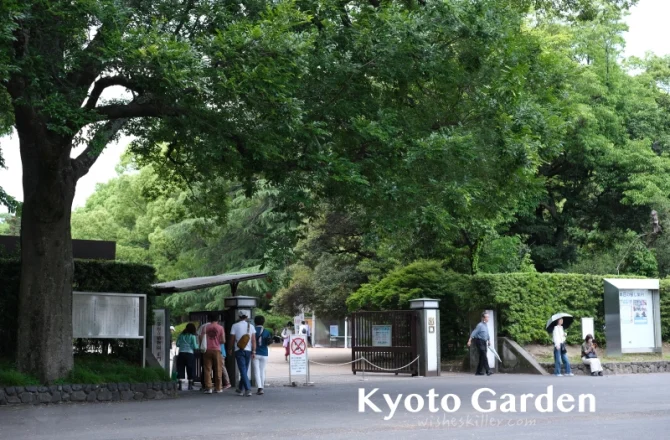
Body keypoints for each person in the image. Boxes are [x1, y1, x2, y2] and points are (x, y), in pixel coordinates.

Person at [228, 309, 256, 397]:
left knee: (243, 370)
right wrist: (254, 351)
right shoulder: (251, 326)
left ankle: (248, 389)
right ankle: (240, 389)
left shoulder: (235, 326)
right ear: (247, 317)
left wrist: (229, 348)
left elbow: (232, 339)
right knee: (244, 370)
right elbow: (253, 340)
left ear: (239, 317)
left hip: (238, 350)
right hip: (248, 350)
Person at [200, 313, 225, 394]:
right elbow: (223, 340)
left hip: (207, 350)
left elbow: (201, 338)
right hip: (217, 349)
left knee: (207, 369)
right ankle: (218, 388)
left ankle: (209, 387)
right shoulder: (220, 328)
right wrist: (217, 340)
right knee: (218, 369)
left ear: (209, 319)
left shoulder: (205, 327)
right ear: (218, 319)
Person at [467, 312, 493, 376]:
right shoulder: (480, 325)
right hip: (479, 341)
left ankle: (478, 371)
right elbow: (474, 332)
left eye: (488, 317)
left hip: (484, 342)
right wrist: (469, 341)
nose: (488, 318)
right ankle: (488, 370)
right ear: (483, 318)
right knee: (484, 355)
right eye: (487, 317)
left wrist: (489, 340)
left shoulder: (485, 325)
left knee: (482, 356)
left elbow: (486, 333)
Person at [252, 315, 273, 395]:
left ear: (255, 322)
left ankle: (259, 387)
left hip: (255, 353)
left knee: (256, 371)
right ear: (263, 322)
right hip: (265, 353)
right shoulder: (267, 331)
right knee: (262, 370)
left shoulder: (253, 330)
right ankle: (262, 387)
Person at [175, 323, 198, 390]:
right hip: (189, 354)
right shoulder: (192, 336)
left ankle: (180, 385)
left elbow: (177, 344)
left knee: (180, 368)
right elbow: (195, 346)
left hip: (181, 353)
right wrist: (198, 346)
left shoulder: (181, 335)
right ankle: (190, 385)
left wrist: (182, 345)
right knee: (190, 369)